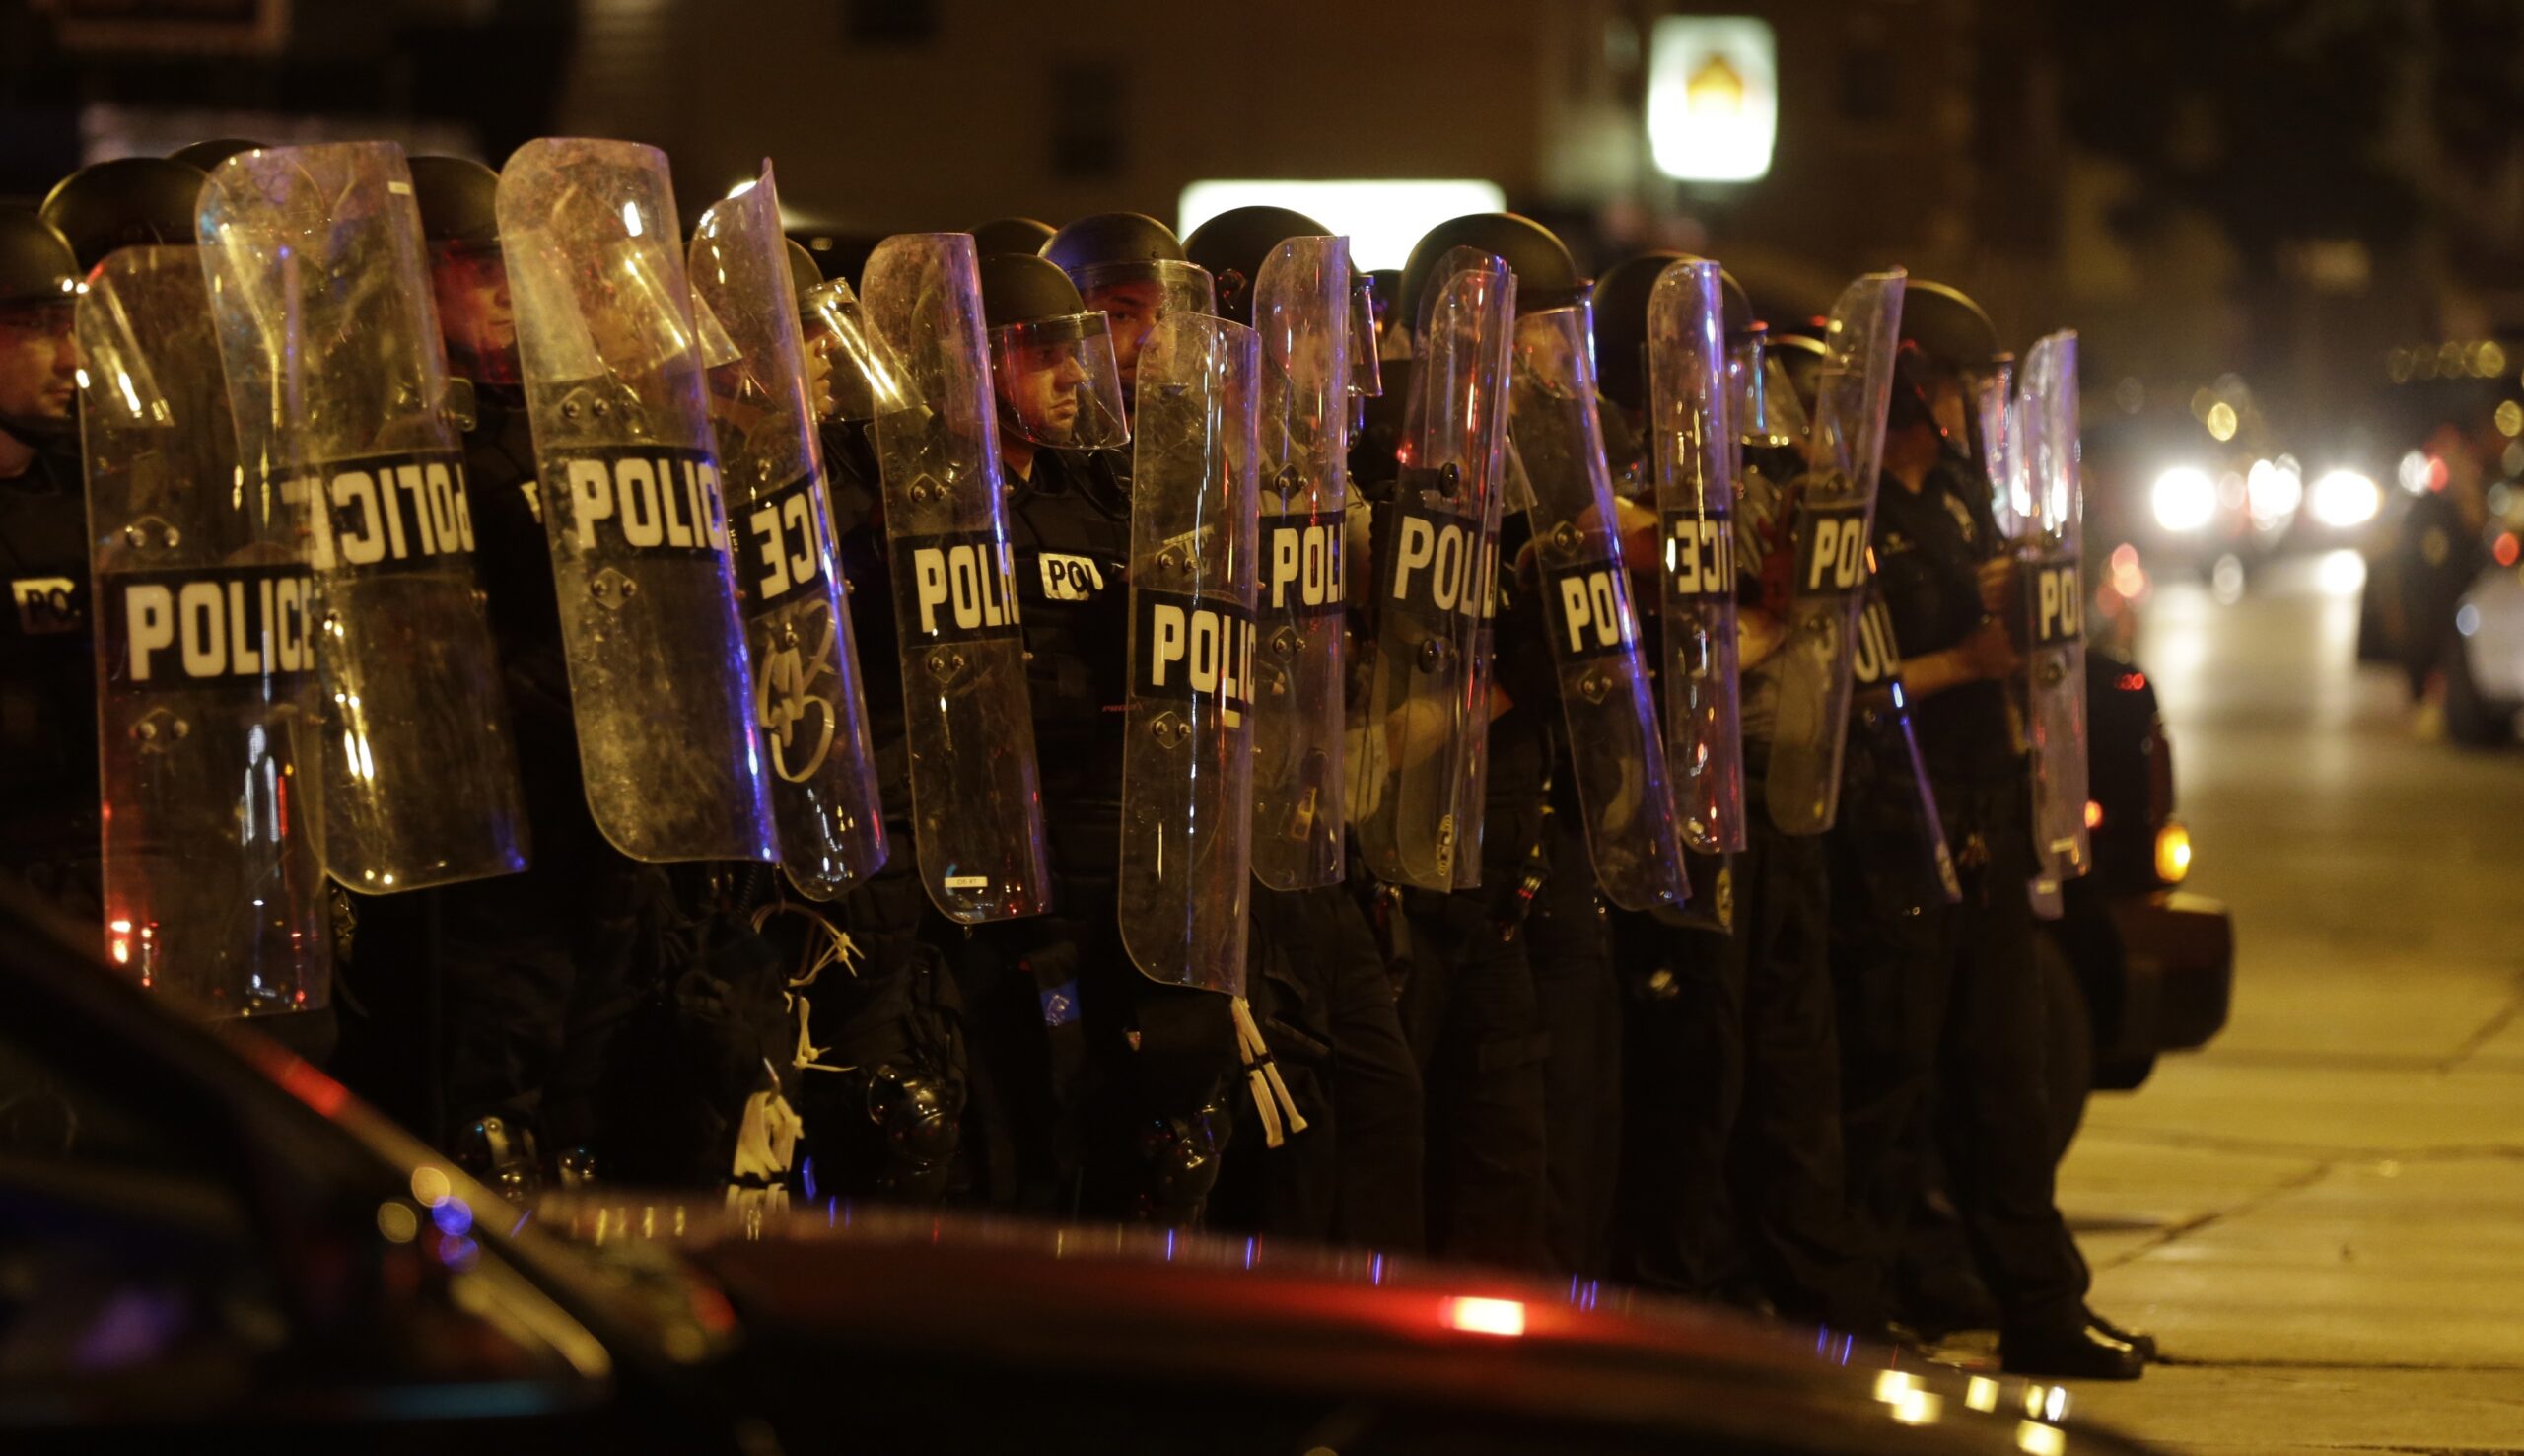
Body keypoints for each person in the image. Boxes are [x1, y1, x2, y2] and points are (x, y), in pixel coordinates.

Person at [1853, 283, 2148, 1378]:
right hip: (1899, 826)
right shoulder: (1851, 512)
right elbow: (1835, 679)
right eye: (1956, 386)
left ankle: (2040, 1306)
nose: (1972, 406)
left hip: (1987, 819)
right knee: (1885, 1083)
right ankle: (1854, 1306)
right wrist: (1959, 663)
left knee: (2005, 1084)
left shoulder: (1968, 498)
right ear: (1912, 390)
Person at [1590, 253, 1885, 1332]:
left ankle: (1796, 1288)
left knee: (1782, 1053)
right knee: (1696, 1064)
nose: (1726, 388)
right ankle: (1679, 1297)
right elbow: (1668, 654)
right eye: (1704, 365)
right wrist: (1780, 622)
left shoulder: (1744, 472)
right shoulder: (1621, 481)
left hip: (1773, 788)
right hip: (1680, 796)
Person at [1182, 204, 1427, 1252]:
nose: (1337, 347)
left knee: (1381, 1105)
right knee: (1286, 1143)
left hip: (1319, 836)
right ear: (1242, 307)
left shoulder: (1311, 452)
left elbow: (1379, 594)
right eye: (1318, 320)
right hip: (1229, 849)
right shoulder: (1184, 439)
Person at [0, 209, 95, 921]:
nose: (73, 359)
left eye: (72, 326)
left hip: (99, 884)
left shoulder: (100, 491)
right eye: (38, 328)